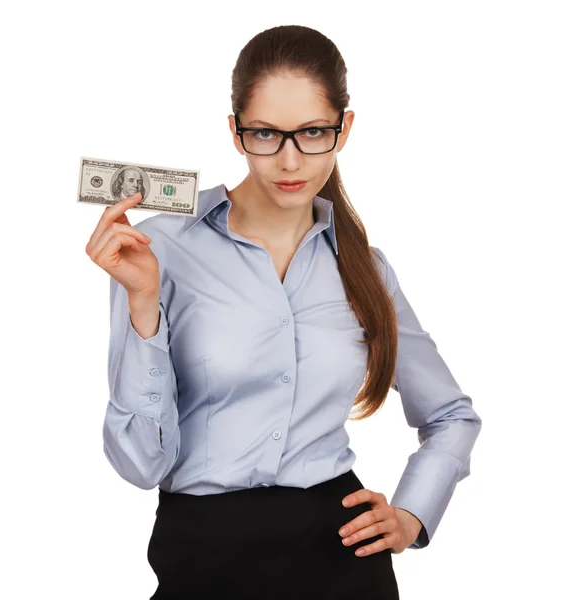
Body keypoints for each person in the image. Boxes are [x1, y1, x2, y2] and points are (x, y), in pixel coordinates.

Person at [85, 24, 482, 600]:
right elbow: (141, 464)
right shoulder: (159, 250)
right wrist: (143, 301)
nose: (289, 159)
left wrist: (412, 515)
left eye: (313, 132)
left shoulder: (366, 269)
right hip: (202, 559)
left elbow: (451, 416)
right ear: (236, 132)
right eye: (267, 134)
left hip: (343, 561)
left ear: (344, 129)